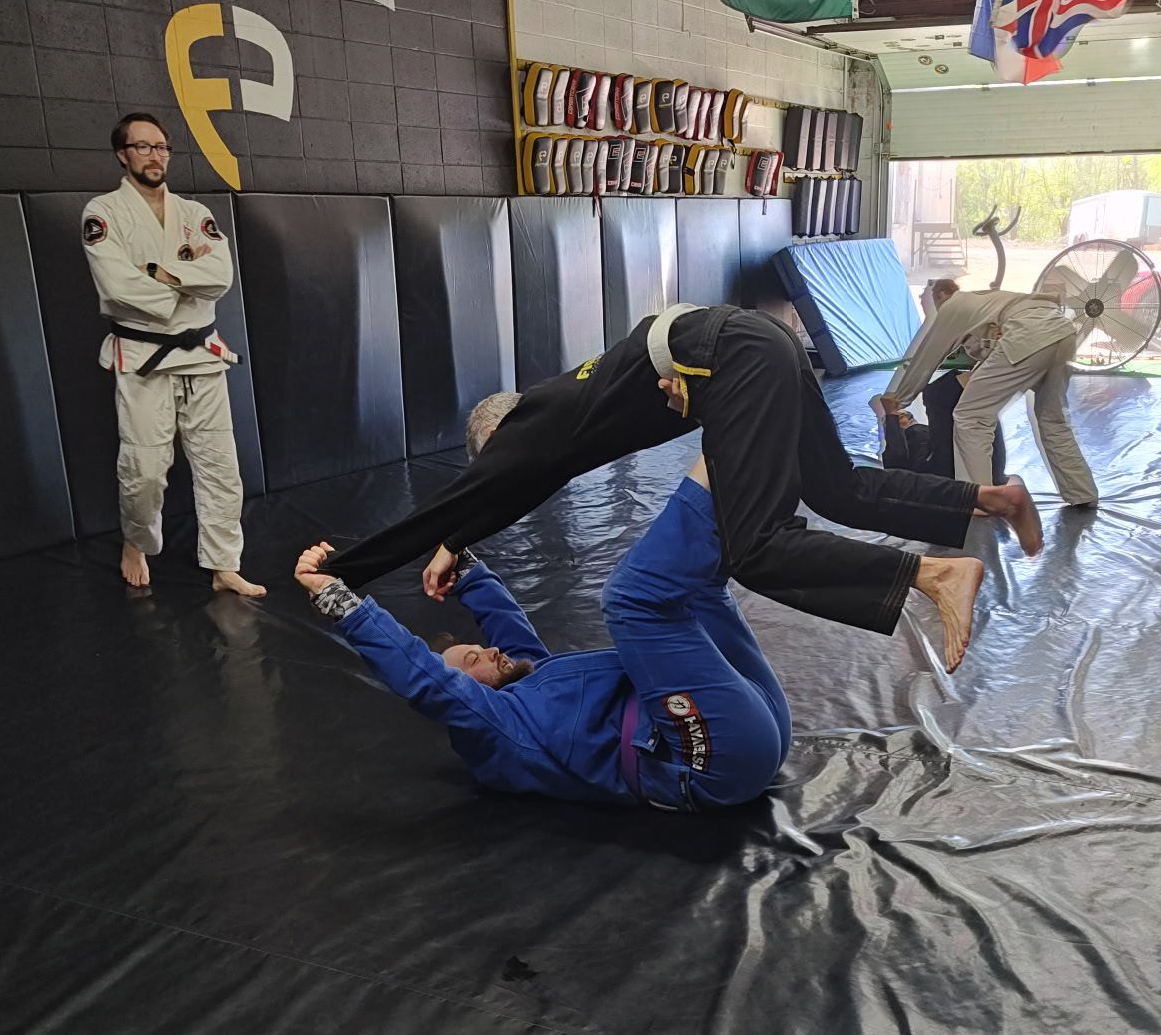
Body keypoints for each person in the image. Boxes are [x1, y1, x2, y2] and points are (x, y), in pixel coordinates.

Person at [327, 304, 1042, 674]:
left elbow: (483, 489)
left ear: (501, 437)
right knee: (836, 489)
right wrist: (459, 541)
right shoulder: (577, 402)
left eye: (501, 457)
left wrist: (343, 572)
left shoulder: (531, 425)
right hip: (756, 344)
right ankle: (989, 499)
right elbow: (506, 493)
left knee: (754, 545)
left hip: (736, 356)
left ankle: (933, 572)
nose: (512, 469)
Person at [296, 457, 870, 811]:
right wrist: (338, 599)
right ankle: (727, 451)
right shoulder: (501, 730)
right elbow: (426, 679)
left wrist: (454, 554)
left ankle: (752, 469)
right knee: (632, 600)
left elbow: (506, 627)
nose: (487, 651)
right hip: (709, 761)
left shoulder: (528, 678)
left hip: (759, 722)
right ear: (469, 696)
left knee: (697, 590)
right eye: (472, 661)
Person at [81, 112, 263, 597]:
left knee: (221, 466)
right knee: (143, 470)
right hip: (144, 359)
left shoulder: (193, 213)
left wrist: (159, 273)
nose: (154, 156)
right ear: (123, 154)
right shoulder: (103, 214)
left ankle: (224, 564)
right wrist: (183, 284)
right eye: (142, 147)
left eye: (161, 147)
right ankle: (136, 543)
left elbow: (221, 275)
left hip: (203, 355)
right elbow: (118, 287)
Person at [878, 283, 1098, 508]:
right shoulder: (986, 305)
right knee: (1053, 420)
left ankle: (980, 499)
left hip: (1029, 337)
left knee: (969, 417)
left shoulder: (954, 305)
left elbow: (928, 355)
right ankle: (1082, 493)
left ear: (942, 295)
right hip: (1063, 332)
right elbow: (991, 354)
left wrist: (900, 397)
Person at [873, 278, 1007, 486]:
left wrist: (892, 417)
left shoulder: (920, 430)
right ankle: (989, 368)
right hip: (941, 469)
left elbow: (932, 352)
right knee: (941, 393)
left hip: (949, 462)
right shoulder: (914, 434)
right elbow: (895, 462)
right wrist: (890, 417)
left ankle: (987, 370)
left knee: (945, 393)